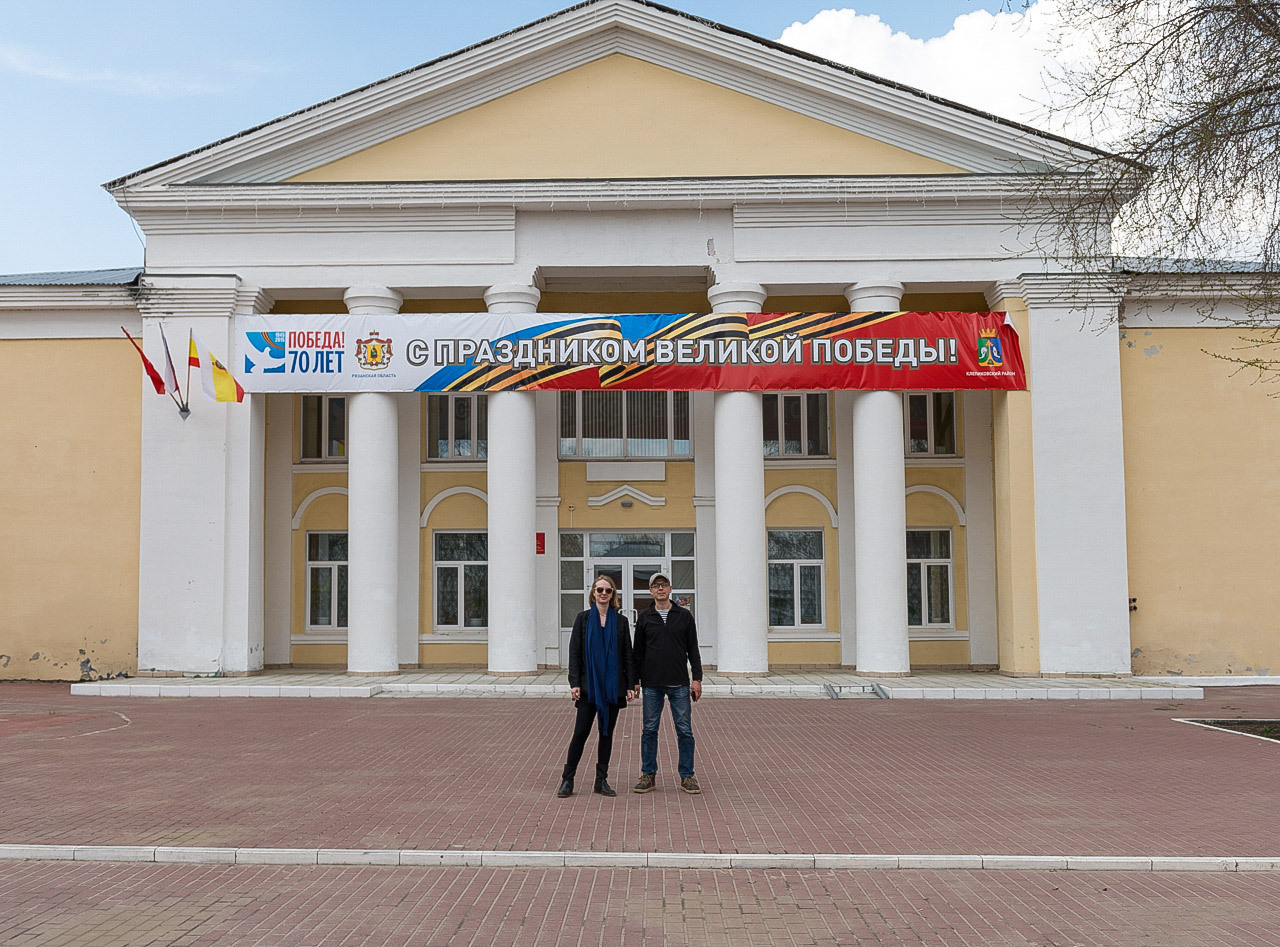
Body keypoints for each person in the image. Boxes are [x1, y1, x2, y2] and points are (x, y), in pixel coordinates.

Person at [558, 574, 636, 798]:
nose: (604, 594)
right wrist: (574, 683)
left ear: (613, 595)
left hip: (613, 688)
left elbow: (627, 655)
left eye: (608, 590)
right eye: (600, 590)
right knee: (580, 733)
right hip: (588, 687)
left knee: (606, 734)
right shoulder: (582, 619)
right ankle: (567, 779)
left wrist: (630, 684)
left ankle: (601, 781)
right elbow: (574, 653)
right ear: (593, 593)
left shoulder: (620, 622)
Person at [632, 571, 703, 794]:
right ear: (651, 591)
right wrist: (634, 681)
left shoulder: (684, 616)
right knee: (649, 729)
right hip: (652, 683)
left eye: (664, 585)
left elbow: (693, 649)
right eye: (656, 586)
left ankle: (687, 776)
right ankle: (648, 774)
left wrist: (697, 679)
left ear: (670, 589)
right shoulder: (645, 617)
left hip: (679, 683)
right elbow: (638, 652)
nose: (660, 589)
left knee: (684, 730)